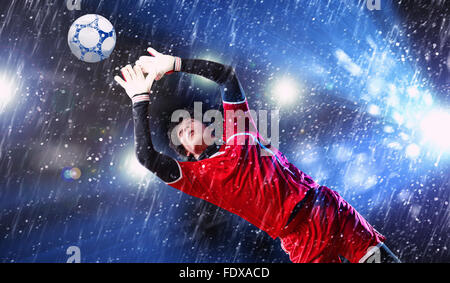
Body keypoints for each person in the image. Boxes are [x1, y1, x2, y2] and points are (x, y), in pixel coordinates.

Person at [114, 47, 400, 263]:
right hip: (301, 240)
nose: (185, 126)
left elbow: (226, 76)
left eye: (189, 122)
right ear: (188, 154)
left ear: (206, 123)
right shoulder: (199, 178)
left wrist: (175, 65)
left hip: (329, 210)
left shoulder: (240, 132)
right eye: (181, 135)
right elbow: (146, 157)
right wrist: (140, 99)